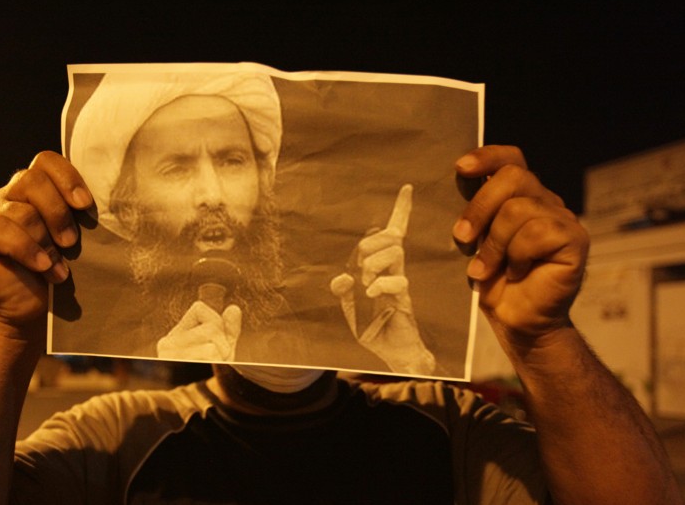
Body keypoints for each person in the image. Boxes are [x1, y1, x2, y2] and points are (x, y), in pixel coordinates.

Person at [0, 145, 685, 505]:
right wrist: (5, 328)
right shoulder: (117, 439)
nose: (215, 195)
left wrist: (543, 336)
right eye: (180, 168)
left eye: (239, 167)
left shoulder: (444, 433)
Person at [50, 70, 437, 375]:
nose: (212, 194)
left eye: (231, 161)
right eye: (177, 168)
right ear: (128, 205)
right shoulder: (107, 349)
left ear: (263, 178)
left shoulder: (332, 320)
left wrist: (408, 361)